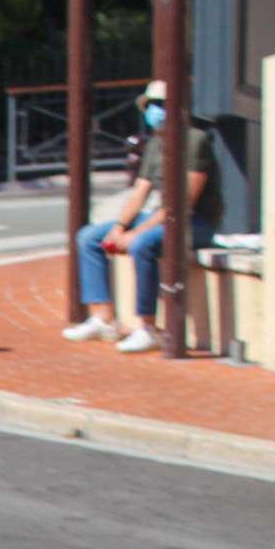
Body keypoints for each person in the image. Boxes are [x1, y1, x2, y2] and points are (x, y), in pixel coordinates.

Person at [63, 80, 220, 353]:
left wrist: (136, 233)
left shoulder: (195, 140)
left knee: (143, 244)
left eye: (162, 105)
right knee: (88, 237)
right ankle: (104, 318)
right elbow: (139, 193)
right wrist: (120, 227)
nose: (156, 111)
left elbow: (183, 203)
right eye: (152, 105)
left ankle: (147, 327)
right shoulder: (155, 144)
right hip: (160, 217)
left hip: (196, 222)